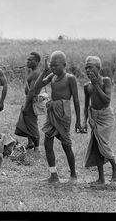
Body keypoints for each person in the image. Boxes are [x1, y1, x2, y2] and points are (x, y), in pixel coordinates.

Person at [33, 51, 81, 183]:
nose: (53, 68)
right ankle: (53, 175)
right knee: (47, 143)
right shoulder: (51, 76)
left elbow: (76, 100)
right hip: (52, 113)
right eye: (51, 65)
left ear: (64, 65)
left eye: (56, 66)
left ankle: (73, 174)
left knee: (66, 144)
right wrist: (44, 71)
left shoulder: (70, 78)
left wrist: (78, 121)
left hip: (63, 114)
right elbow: (38, 86)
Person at [82, 56, 116, 184]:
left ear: (99, 68)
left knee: (103, 144)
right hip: (94, 116)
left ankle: (115, 168)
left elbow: (107, 100)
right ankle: (101, 178)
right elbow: (86, 105)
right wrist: (84, 122)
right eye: (86, 67)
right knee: (95, 145)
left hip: (105, 116)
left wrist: (97, 85)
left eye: (90, 67)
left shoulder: (106, 81)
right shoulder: (87, 86)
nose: (88, 70)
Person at [15, 52, 42, 152]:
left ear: (37, 62)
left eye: (30, 60)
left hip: (32, 100)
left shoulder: (36, 73)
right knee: (26, 122)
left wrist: (26, 104)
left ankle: (37, 148)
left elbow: (32, 91)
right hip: (28, 98)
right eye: (27, 60)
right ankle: (30, 143)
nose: (28, 61)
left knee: (32, 124)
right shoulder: (32, 71)